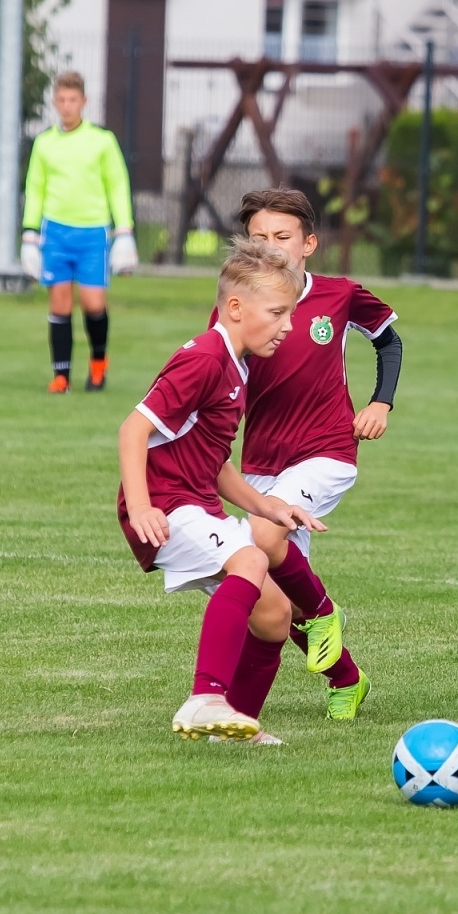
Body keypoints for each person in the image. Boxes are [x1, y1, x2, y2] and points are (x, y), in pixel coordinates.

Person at [209, 187, 403, 721]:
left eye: (282, 237)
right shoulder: (236, 308)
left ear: (309, 243)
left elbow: (389, 339)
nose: (270, 248)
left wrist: (380, 403)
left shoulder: (338, 294)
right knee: (272, 598)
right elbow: (219, 377)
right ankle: (347, 676)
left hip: (328, 449)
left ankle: (323, 613)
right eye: (258, 239)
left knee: (268, 538)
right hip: (261, 460)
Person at [118, 239, 322, 743]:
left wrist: (265, 505)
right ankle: (204, 698)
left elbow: (215, 461)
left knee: (274, 615)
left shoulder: (237, 364)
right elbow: (132, 430)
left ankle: (234, 725)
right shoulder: (206, 358)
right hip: (166, 504)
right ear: (235, 308)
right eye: (277, 312)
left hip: (196, 501)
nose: (288, 325)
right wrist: (142, 506)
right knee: (251, 562)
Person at [20, 71, 139, 394]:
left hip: (93, 233)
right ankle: (61, 376)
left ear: (83, 102)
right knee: (59, 305)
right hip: (56, 232)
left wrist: (124, 230)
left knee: (93, 304)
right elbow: (35, 188)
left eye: (73, 99)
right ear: (54, 102)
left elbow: (117, 184)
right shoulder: (44, 143)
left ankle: (98, 364)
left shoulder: (102, 141)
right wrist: (29, 233)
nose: (67, 106)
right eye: (61, 100)